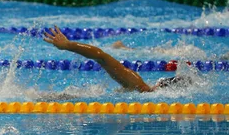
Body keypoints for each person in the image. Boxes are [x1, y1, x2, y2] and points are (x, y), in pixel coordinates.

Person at [43, 26, 192, 92]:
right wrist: (68, 45)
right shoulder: (137, 85)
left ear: (159, 85)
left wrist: (69, 45)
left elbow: (101, 56)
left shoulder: (139, 87)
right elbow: (101, 57)